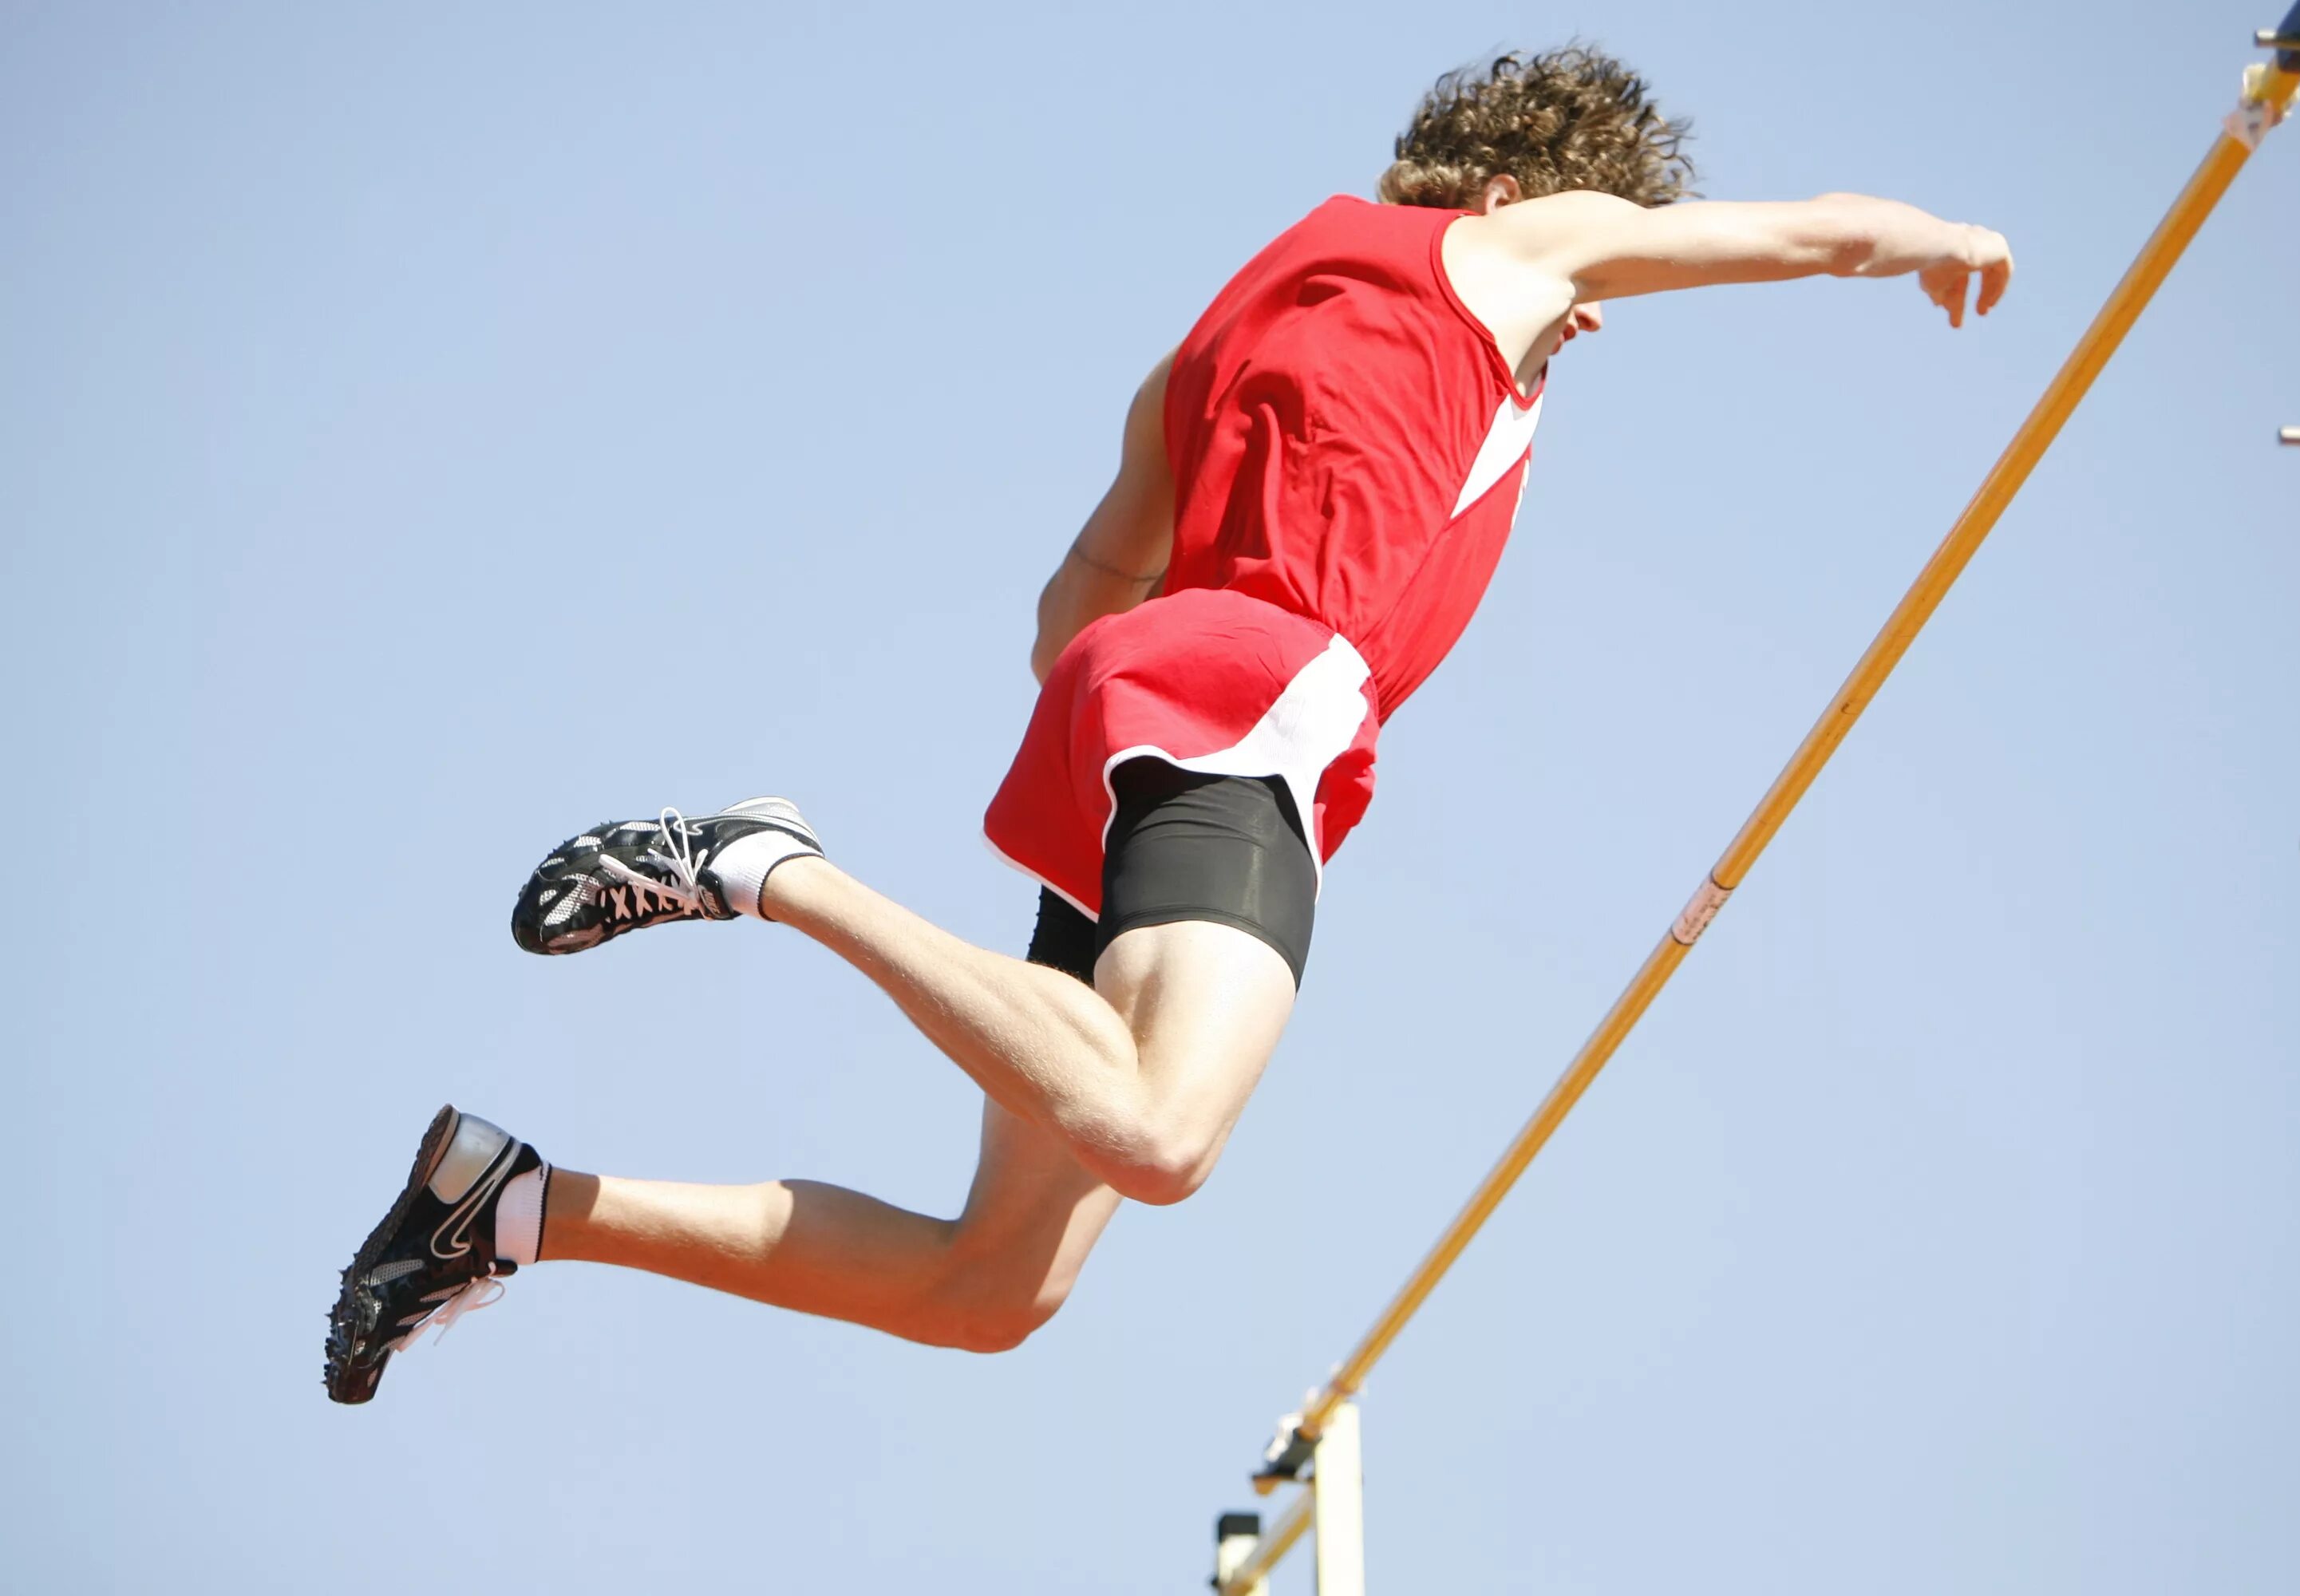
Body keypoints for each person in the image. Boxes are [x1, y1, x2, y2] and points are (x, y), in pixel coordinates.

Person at [325, 45, 2010, 1403]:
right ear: (1523, 192)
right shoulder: (1511, 251)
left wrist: (1136, 720)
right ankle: (773, 870)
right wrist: (1937, 235)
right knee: (1161, 1133)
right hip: (1248, 702)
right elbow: (1819, 227)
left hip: (1125, 734)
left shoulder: (1219, 331)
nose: (1586, 317)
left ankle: (516, 1210)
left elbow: (1078, 598)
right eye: (1600, 273)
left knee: (987, 1291)